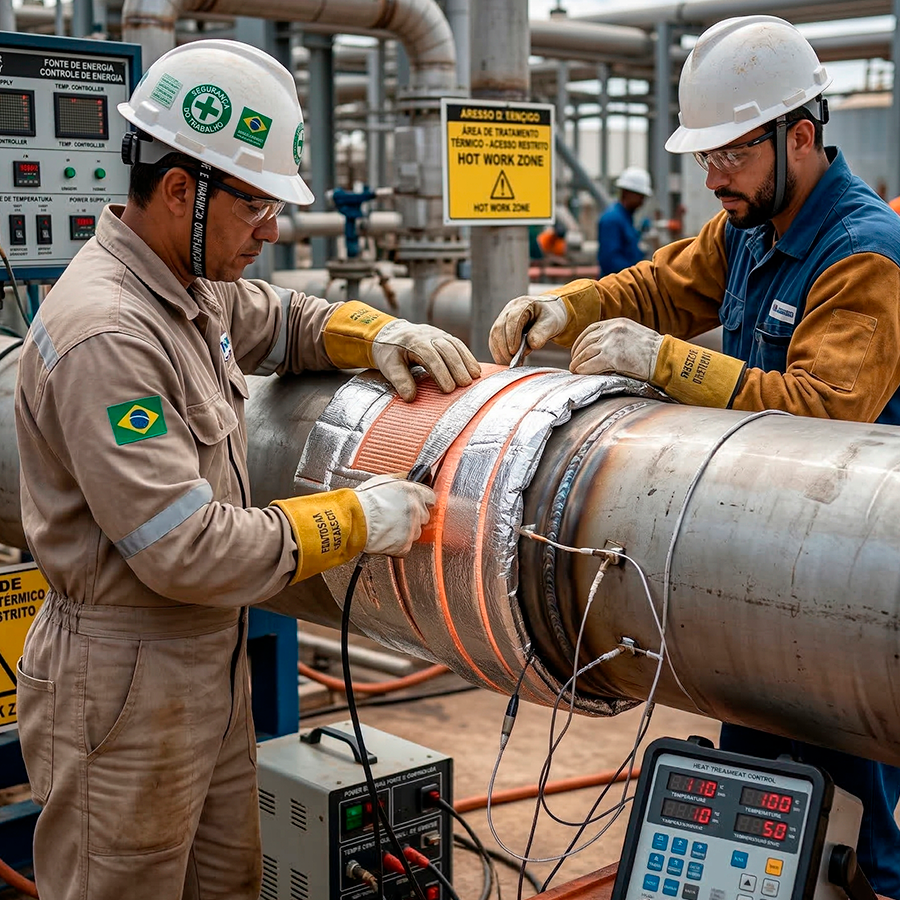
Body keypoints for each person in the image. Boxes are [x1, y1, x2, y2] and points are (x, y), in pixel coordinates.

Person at [14, 39, 481, 900]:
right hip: (125, 680)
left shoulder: (189, 283)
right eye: (257, 205)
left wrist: (375, 332)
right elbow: (184, 549)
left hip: (206, 663)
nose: (272, 230)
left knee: (228, 883)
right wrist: (354, 518)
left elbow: (282, 318)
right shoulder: (110, 333)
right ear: (181, 190)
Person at [489, 15, 900, 897]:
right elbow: (662, 284)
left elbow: (826, 412)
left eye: (731, 154)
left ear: (799, 136)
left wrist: (665, 363)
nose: (714, 177)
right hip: (766, 560)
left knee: (858, 823)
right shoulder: (751, 225)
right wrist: (569, 306)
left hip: (854, 584)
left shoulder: (862, 253)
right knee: (762, 798)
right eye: (707, 156)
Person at [597, 166, 653, 276]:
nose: (642, 202)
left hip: (626, 282)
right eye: (640, 196)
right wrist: (639, 274)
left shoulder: (625, 218)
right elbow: (610, 261)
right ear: (627, 193)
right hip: (615, 284)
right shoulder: (612, 219)